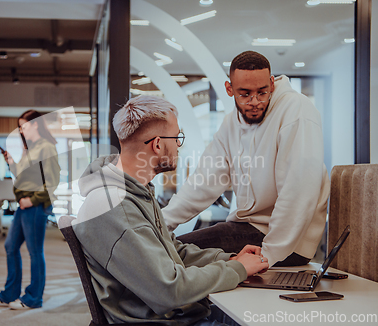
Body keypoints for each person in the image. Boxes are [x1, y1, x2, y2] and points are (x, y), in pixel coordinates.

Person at [71, 96, 268, 325]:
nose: (178, 146)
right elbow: (169, 290)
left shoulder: (135, 192)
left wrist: (231, 260)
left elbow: (174, 253)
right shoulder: (115, 207)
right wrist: (236, 269)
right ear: (157, 144)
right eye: (177, 138)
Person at [163, 51, 330, 268]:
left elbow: (299, 189)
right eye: (245, 94)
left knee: (173, 255)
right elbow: (202, 183)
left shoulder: (296, 111)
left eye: (262, 92)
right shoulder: (230, 124)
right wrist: (159, 224)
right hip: (247, 229)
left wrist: (268, 255)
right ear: (229, 89)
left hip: (286, 243)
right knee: (170, 249)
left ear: (272, 83)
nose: (255, 102)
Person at [0, 110, 60, 310]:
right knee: (10, 246)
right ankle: (10, 293)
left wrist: (33, 200)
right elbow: (23, 177)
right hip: (23, 206)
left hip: (35, 206)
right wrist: (11, 162)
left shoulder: (46, 148)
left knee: (35, 252)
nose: (21, 130)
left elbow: (52, 183)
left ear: (36, 124)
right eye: (19, 127)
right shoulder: (32, 148)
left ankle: (33, 298)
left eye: (24, 125)